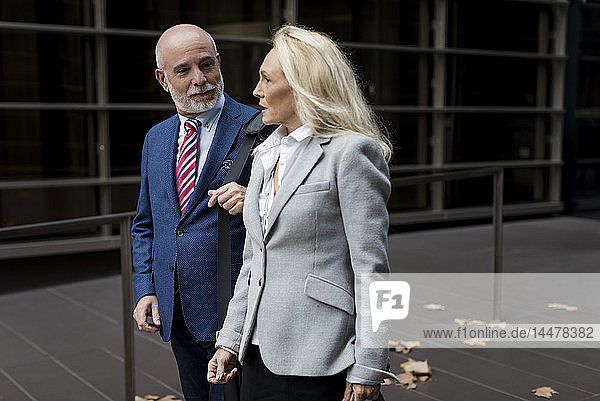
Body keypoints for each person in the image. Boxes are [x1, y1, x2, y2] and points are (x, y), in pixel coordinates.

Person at [207, 25, 393, 401]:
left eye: (266, 79)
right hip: (257, 352)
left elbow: (372, 271)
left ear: (303, 85)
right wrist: (230, 339)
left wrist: (370, 363)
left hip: (323, 355)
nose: (256, 91)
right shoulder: (263, 154)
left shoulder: (351, 152)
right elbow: (253, 261)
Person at [131, 24, 269, 401]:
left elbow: (288, 210)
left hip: (235, 313)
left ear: (220, 64)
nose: (200, 79)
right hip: (175, 310)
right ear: (163, 79)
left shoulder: (261, 128)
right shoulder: (155, 139)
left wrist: (254, 198)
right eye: (183, 70)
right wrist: (145, 287)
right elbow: (147, 223)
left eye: (207, 65)